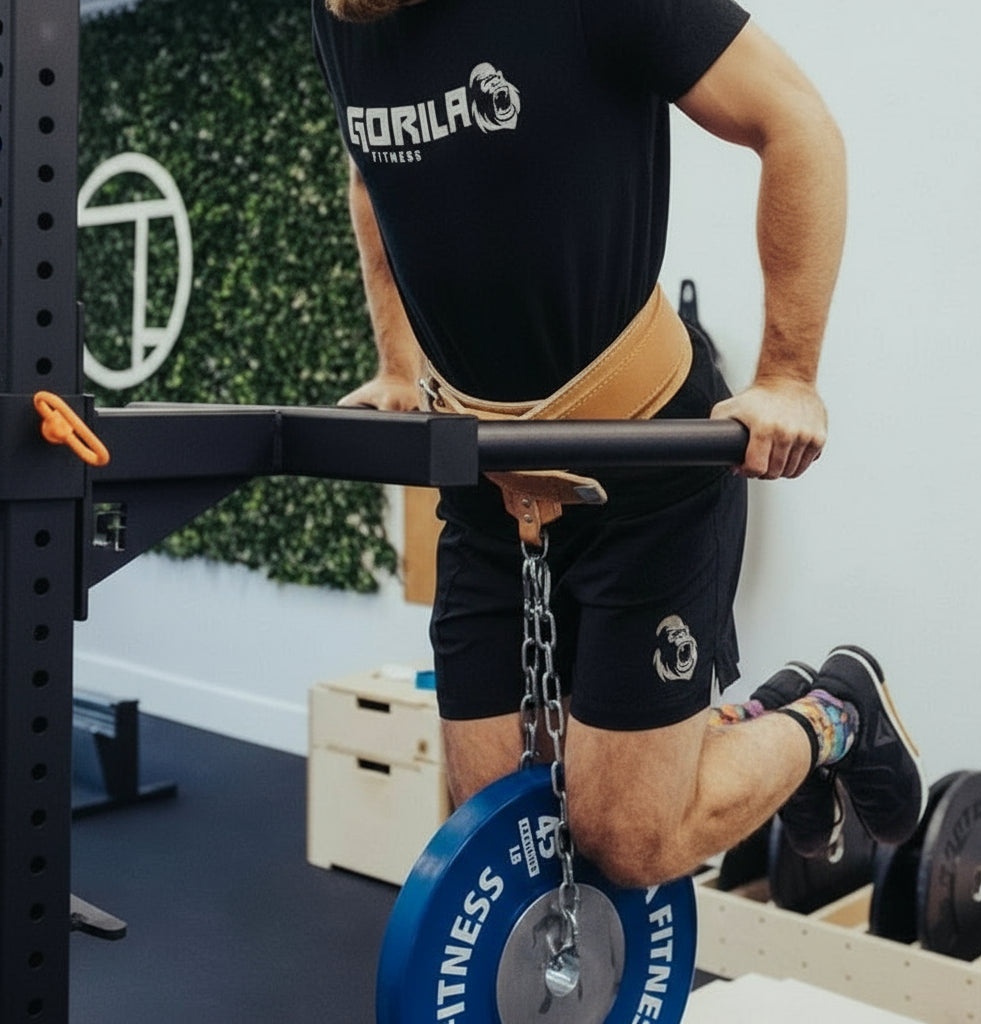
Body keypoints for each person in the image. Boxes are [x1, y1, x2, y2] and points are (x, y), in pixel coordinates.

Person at [312, 0, 925, 887]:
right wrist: (398, 363)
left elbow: (795, 123)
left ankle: (833, 714)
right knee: (493, 835)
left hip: (650, 471)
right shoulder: (341, 13)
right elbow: (372, 172)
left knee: (627, 841)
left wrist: (790, 373)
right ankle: (746, 724)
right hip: (488, 482)